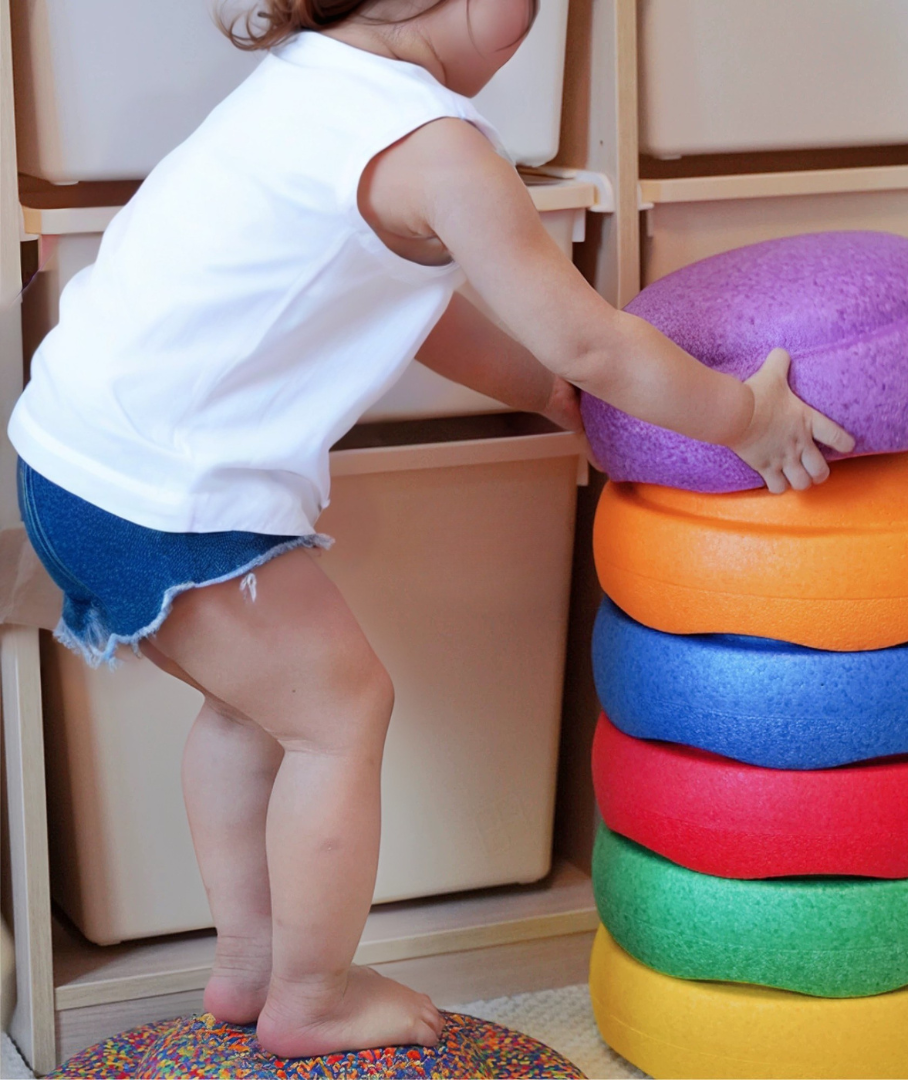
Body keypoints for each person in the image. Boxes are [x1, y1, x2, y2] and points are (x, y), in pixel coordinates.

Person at [7, 0, 854, 1058]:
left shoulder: (309, 84)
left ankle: (250, 961)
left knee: (253, 708)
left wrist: (545, 393)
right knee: (341, 711)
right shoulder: (441, 150)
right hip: (167, 496)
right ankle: (311, 998)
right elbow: (598, 342)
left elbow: (425, 309)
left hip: (67, 464)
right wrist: (748, 420)